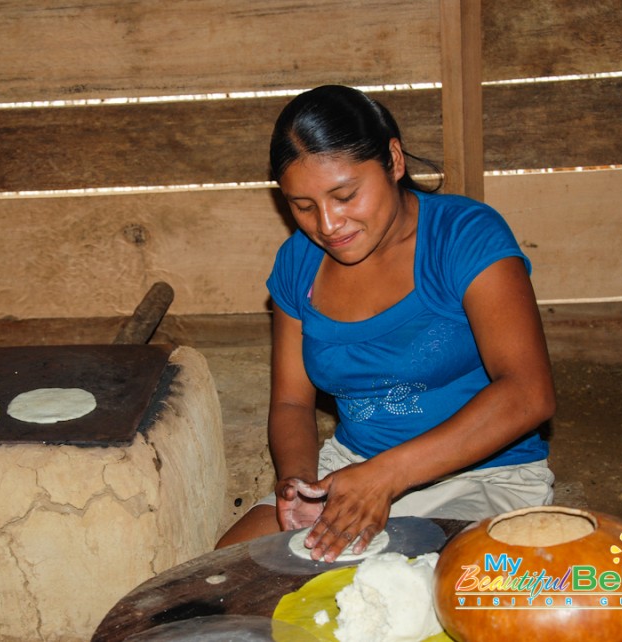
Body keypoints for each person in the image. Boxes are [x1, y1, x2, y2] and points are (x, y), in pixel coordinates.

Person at [215, 85, 556, 563]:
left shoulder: (464, 238)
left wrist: (385, 477)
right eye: (304, 205)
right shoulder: (298, 264)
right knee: (224, 574)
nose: (328, 224)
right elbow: (293, 401)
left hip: (483, 475)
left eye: (345, 195)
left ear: (394, 160)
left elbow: (528, 392)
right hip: (353, 468)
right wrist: (299, 486)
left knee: (420, 592)